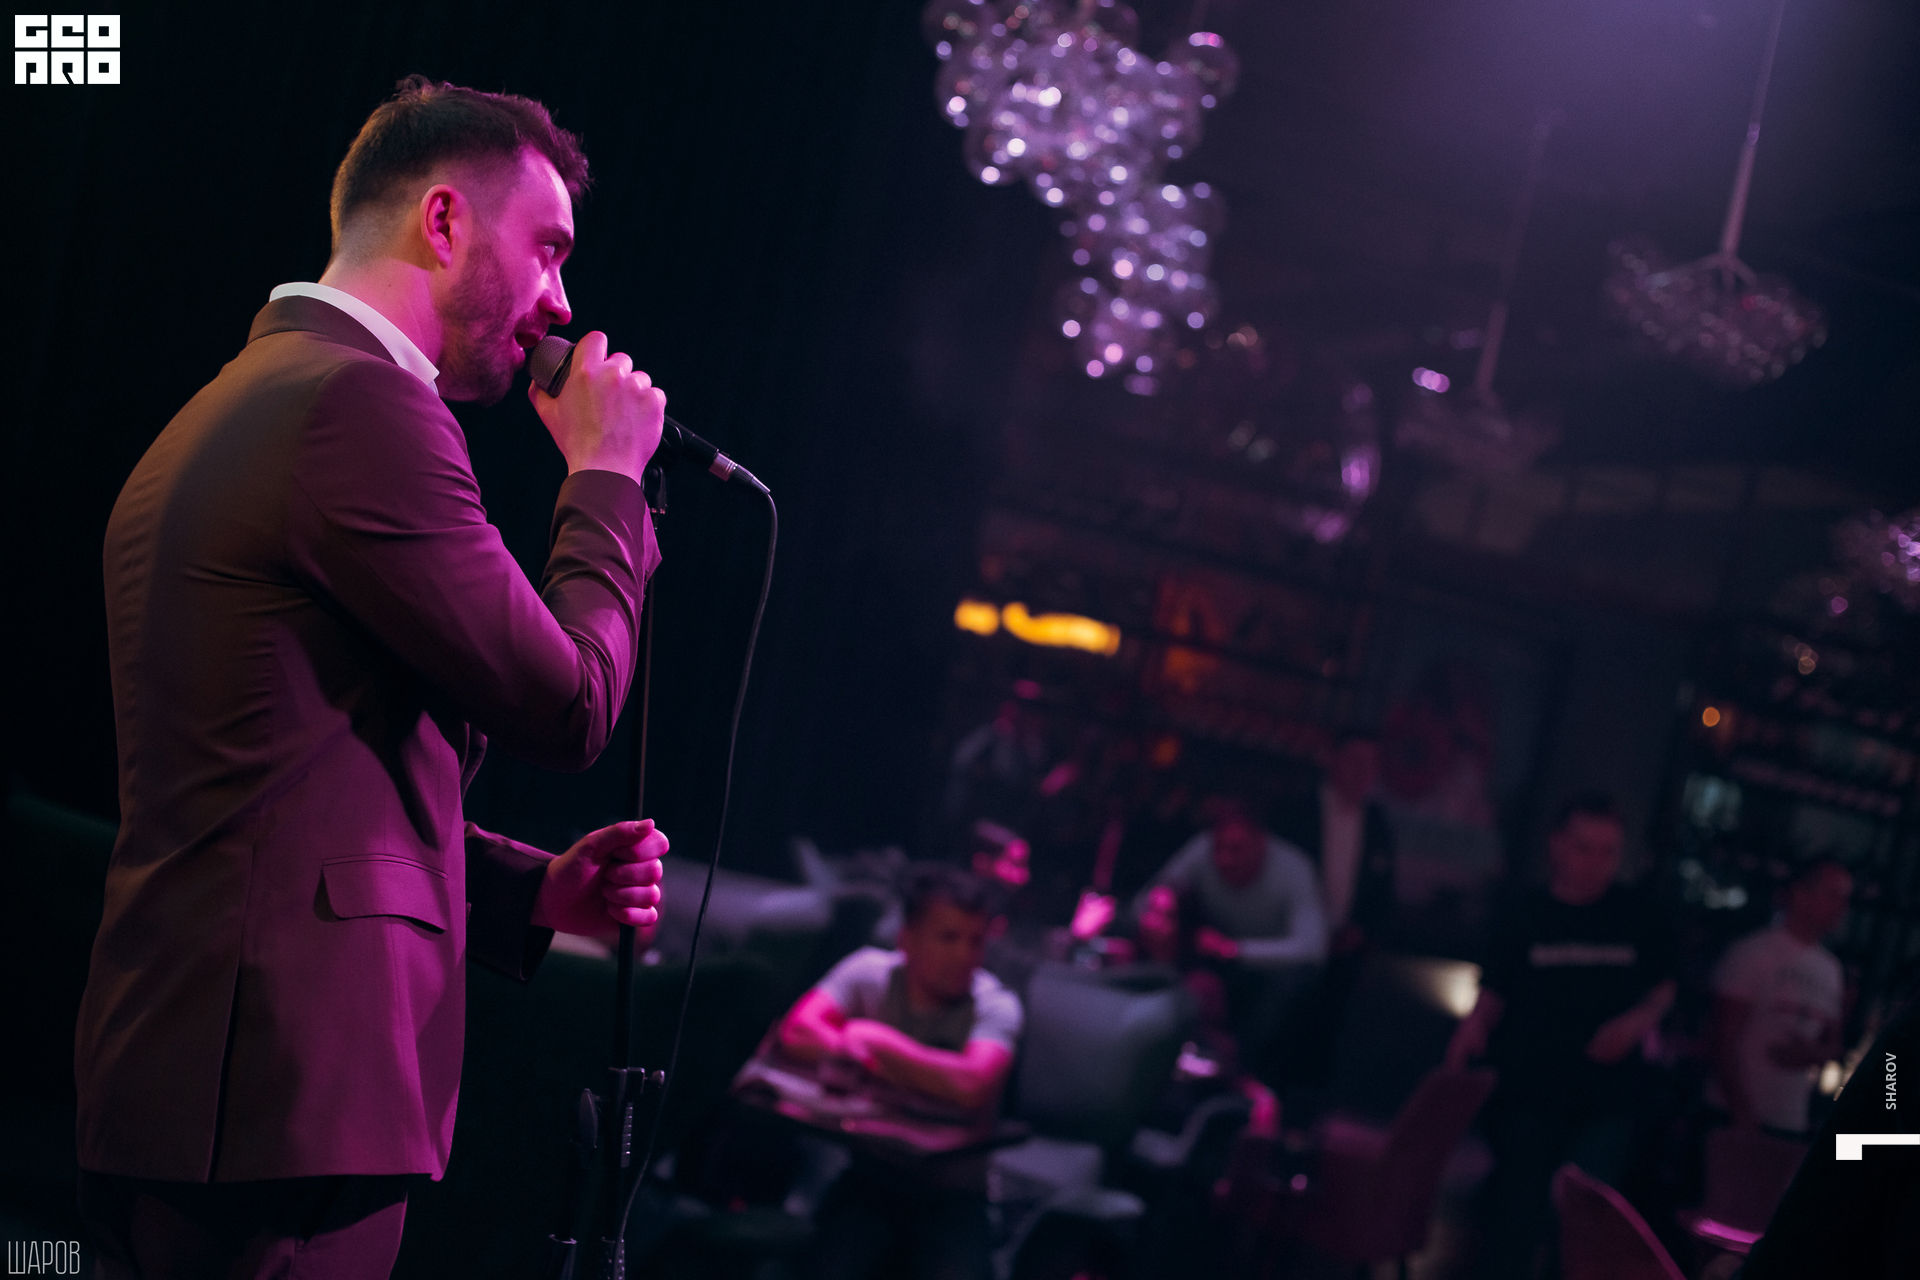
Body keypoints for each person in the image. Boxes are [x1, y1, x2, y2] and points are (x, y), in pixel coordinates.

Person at [74, 77, 670, 1279]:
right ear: (443, 221)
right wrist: (607, 479)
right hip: (279, 1109)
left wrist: (531, 891)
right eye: (548, 248)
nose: (562, 301)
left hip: (201, 1083)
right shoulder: (361, 404)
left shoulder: (247, 396)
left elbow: (282, 790)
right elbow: (571, 702)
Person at [1446, 794, 1677, 1280]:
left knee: (1582, 1230)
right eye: (1584, 848)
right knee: (1514, 1221)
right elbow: (1493, 992)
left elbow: (1664, 986)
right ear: (1556, 845)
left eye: (1608, 852)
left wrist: (1637, 1021)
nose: (1596, 863)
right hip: (1529, 1092)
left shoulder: (1636, 914)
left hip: (1606, 1099)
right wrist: (1471, 1031)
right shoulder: (1524, 913)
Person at [776, 864, 1023, 1280]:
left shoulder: (995, 1004)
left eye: (976, 941)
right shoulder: (869, 972)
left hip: (954, 1199)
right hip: (868, 1182)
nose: (965, 955)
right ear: (906, 937)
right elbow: (798, 1031)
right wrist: (873, 1055)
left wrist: (874, 1041)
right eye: (949, 937)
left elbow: (972, 1083)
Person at [1134, 796, 1328, 1083]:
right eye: (1219, 849)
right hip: (1205, 963)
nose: (1224, 859)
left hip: (1265, 976)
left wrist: (1236, 950)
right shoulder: (1201, 850)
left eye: (1236, 850)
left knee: (1295, 984)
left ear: (1261, 845)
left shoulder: (1295, 869)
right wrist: (1164, 919)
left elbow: (1313, 948)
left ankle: (1248, 1078)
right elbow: (1146, 902)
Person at [1708, 857, 1852, 1135]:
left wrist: (1812, 1054)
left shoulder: (1832, 970)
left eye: (1845, 899)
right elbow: (1721, 1036)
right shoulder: (1752, 953)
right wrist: (1741, 1112)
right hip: (1730, 1115)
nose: (1841, 908)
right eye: (1832, 895)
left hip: (1789, 1119)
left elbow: (1834, 1044)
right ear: (1800, 894)